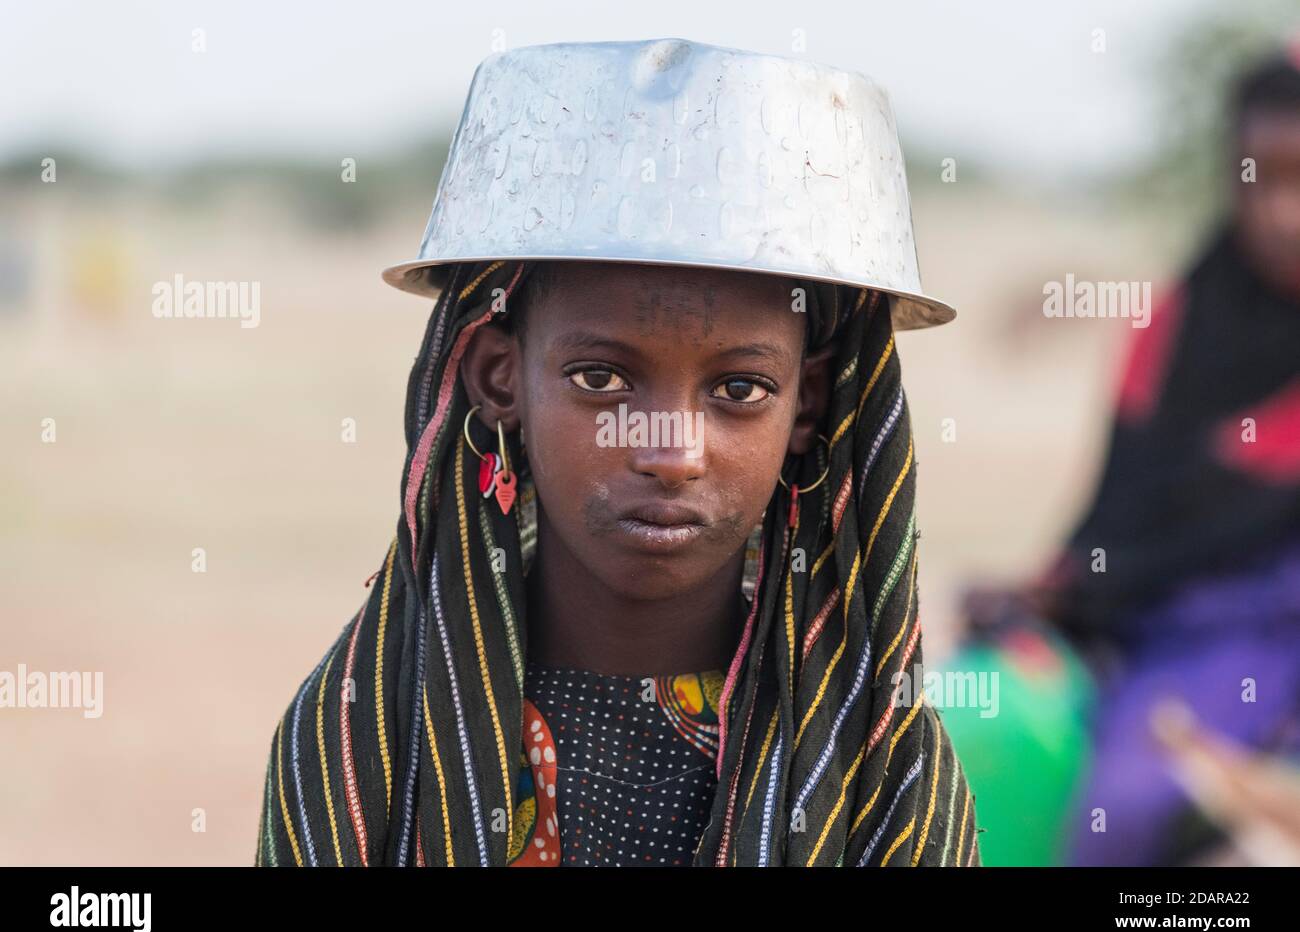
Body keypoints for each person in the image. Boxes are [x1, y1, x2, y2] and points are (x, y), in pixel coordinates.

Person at [254, 39, 981, 867]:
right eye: (600, 378)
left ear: (807, 406)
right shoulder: (366, 731)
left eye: (738, 390)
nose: (670, 452)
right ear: (501, 380)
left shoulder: (879, 765)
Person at [957, 44, 1300, 867]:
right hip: (1190, 634)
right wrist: (1052, 591)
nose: (1286, 212)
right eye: (1266, 176)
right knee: (1124, 802)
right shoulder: (1174, 327)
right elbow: (1118, 520)